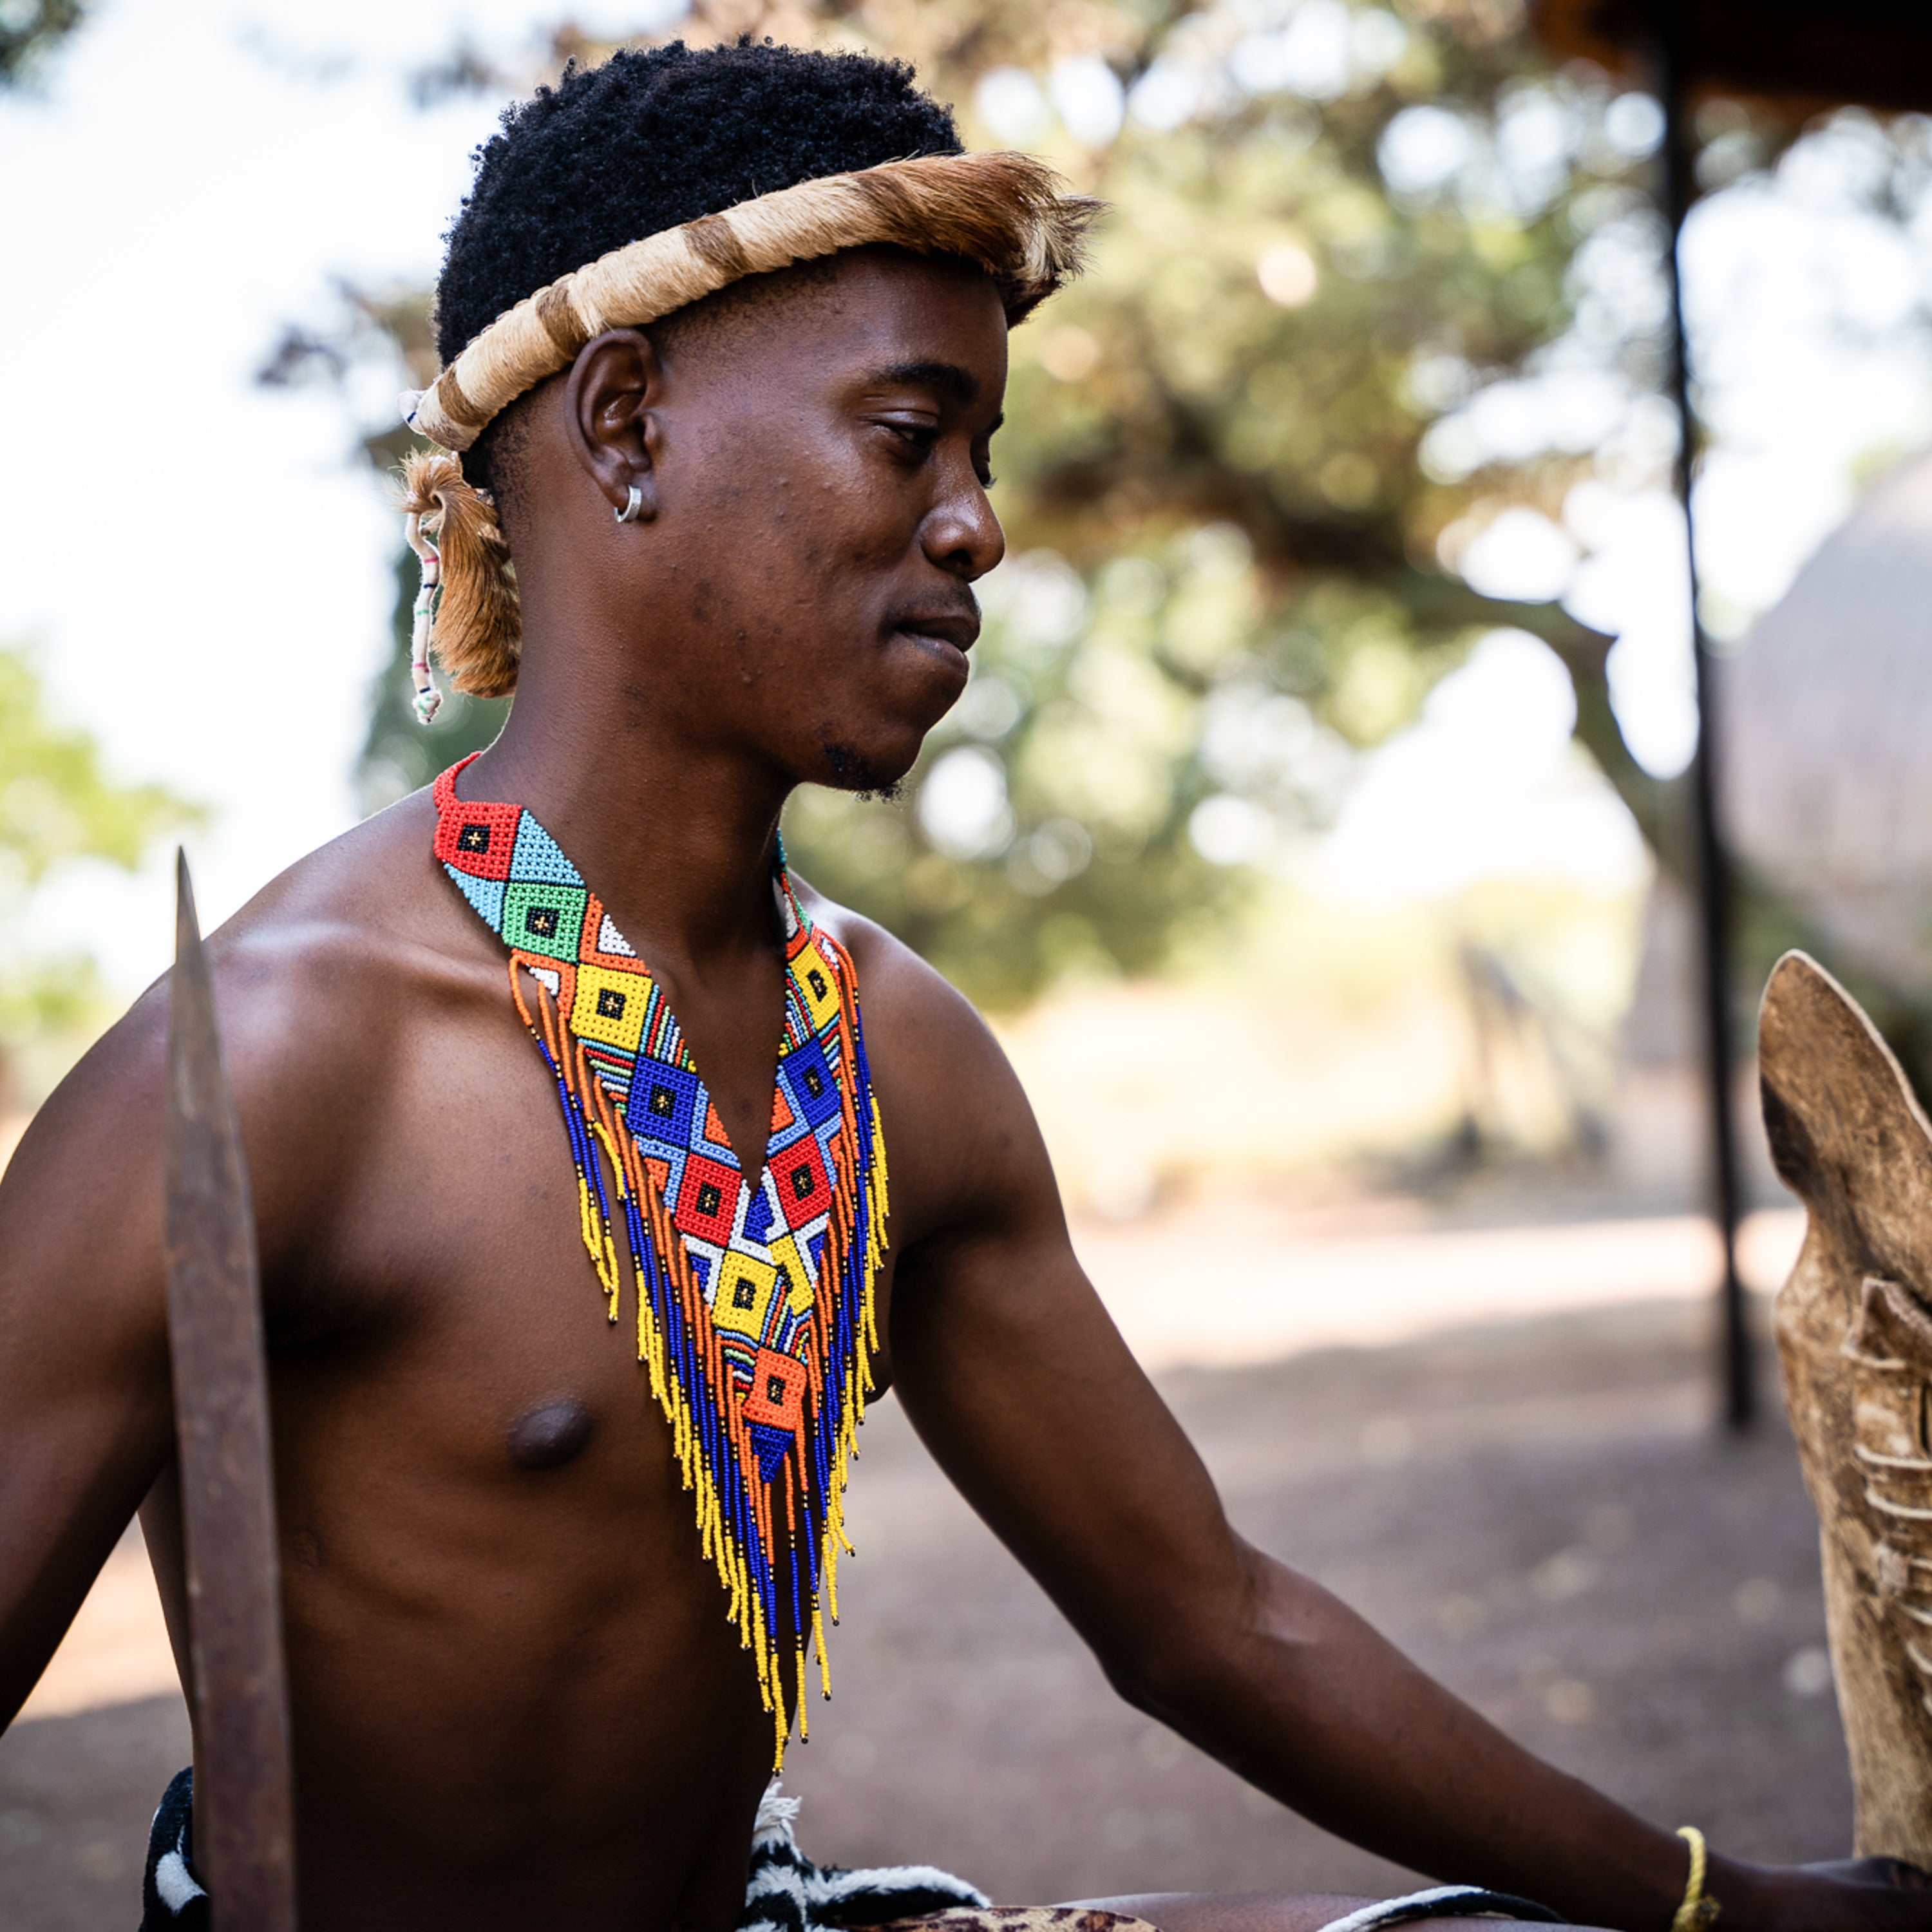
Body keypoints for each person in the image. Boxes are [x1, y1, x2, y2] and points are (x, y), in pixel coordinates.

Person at [0, 40, 1921, 1932]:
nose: (977, 525)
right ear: (626, 427)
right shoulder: (275, 1065)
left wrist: (1721, 1907)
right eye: (909, 435)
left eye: (983, 458)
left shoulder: (893, 1057)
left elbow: (1206, 1619)